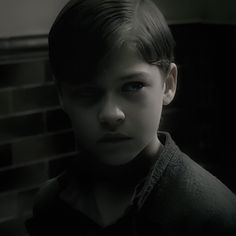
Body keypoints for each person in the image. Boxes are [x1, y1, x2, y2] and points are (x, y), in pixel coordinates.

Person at [25, 0, 236, 235]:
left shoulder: (212, 216)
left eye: (133, 86)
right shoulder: (50, 205)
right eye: (86, 91)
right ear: (62, 95)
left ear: (168, 84)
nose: (110, 114)